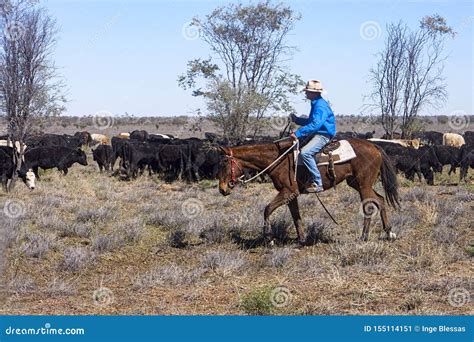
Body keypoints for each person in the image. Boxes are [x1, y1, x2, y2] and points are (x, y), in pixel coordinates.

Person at [290, 80, 336, 193]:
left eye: (307, 92)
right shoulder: (316, 103)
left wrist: (298, 133)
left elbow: (316, 125)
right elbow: (311, 121)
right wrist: (297, 120)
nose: (305, 94)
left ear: (314, 93)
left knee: (305, 153)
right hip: (318, 133)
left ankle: (317, 183)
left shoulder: (320, 105)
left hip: (323, 135)